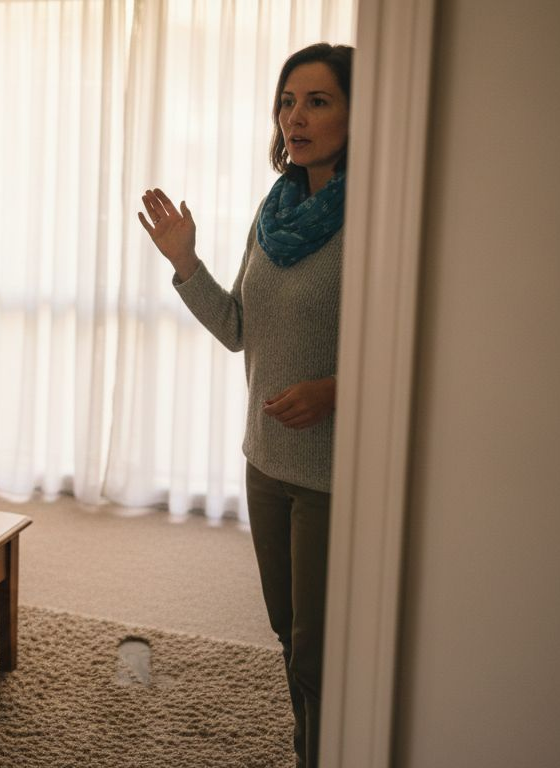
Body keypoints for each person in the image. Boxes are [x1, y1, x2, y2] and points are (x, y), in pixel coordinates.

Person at [138, 42, 353, 768]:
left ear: (359, 114)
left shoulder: (377, 221)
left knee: (321, 656)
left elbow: (411, 355)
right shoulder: (276, 210)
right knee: (290, 634)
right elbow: (237, 329)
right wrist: (185, 263)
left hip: (336, 477)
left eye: (318, 101)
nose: (296, 116)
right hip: (266, 464)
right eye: (288, 101)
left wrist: (338, 391)